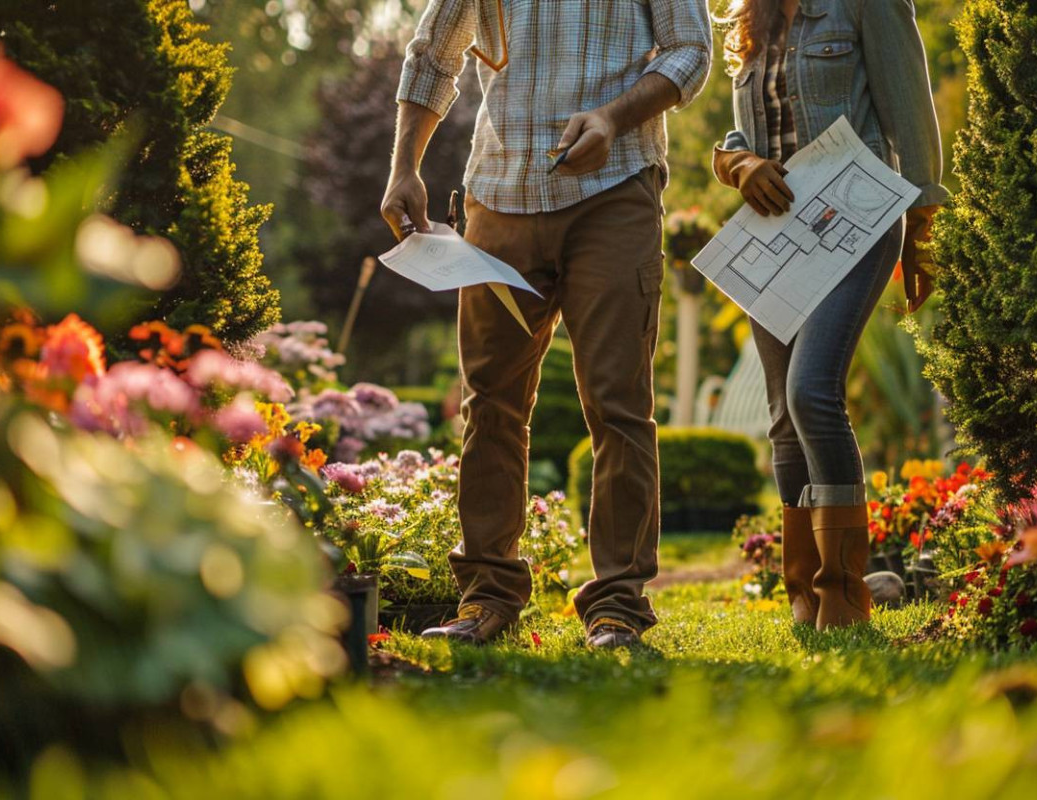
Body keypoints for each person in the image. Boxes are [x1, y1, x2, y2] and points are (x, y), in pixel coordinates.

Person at [380, 0, 712, 647]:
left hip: (614, 189)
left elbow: (691, 53)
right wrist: (404, 167)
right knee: (490, 402)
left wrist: (612, 118)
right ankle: (487, 596)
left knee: (618, 403)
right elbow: (434, 53)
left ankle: (617, 603)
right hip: (498, 195)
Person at [711, 0, 948, 629]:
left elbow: (911, 116)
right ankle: (803, 595)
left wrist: (923, 226)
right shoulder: (751, 17)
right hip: (775, 235)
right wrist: (738, 162)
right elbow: (743, 133)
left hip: (856, 221)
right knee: (784, 418)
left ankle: (842, 591)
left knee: (811, 392)